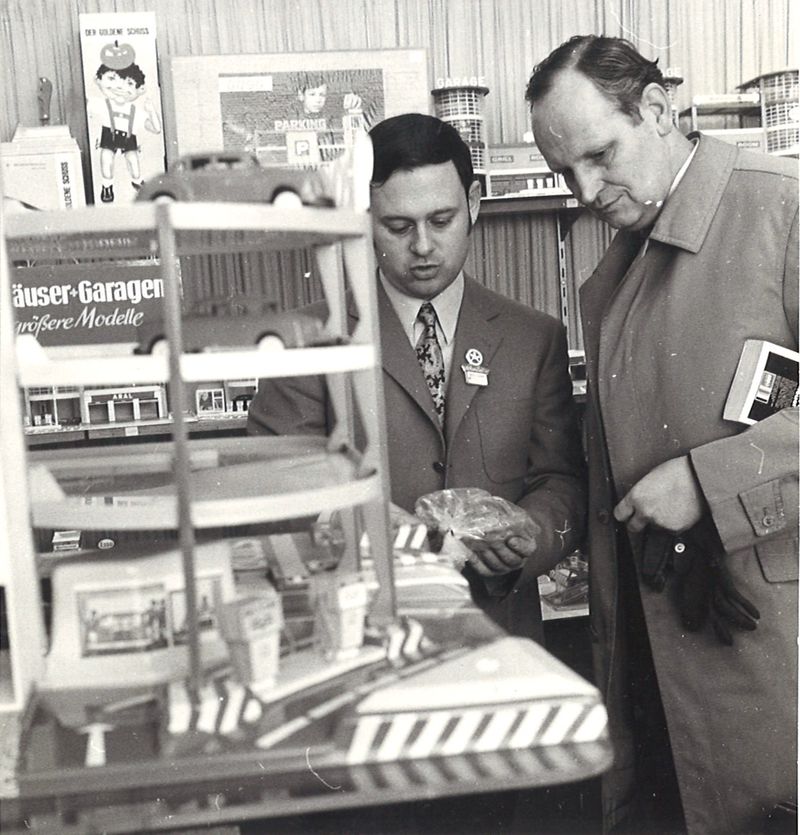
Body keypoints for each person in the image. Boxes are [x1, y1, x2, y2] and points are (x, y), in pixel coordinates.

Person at [527, 34, 798, 835]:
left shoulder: (781, 211)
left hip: (769, 670)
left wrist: (707, 485)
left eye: (599, 155)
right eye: (564, 172)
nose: (584, 190)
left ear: (656, 108)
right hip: (659, 671)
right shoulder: (622, 265)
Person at [248, 112, 586, 643]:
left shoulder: (533, 338)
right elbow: (273, 493)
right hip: (358, 636)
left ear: (473, 204)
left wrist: (530, 535)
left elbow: (561, 481)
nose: (423, 246)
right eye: (399, 227)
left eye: (441, 220)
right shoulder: (307, 342)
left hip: (497, 636)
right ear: (365, 220)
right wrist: (365, 533)